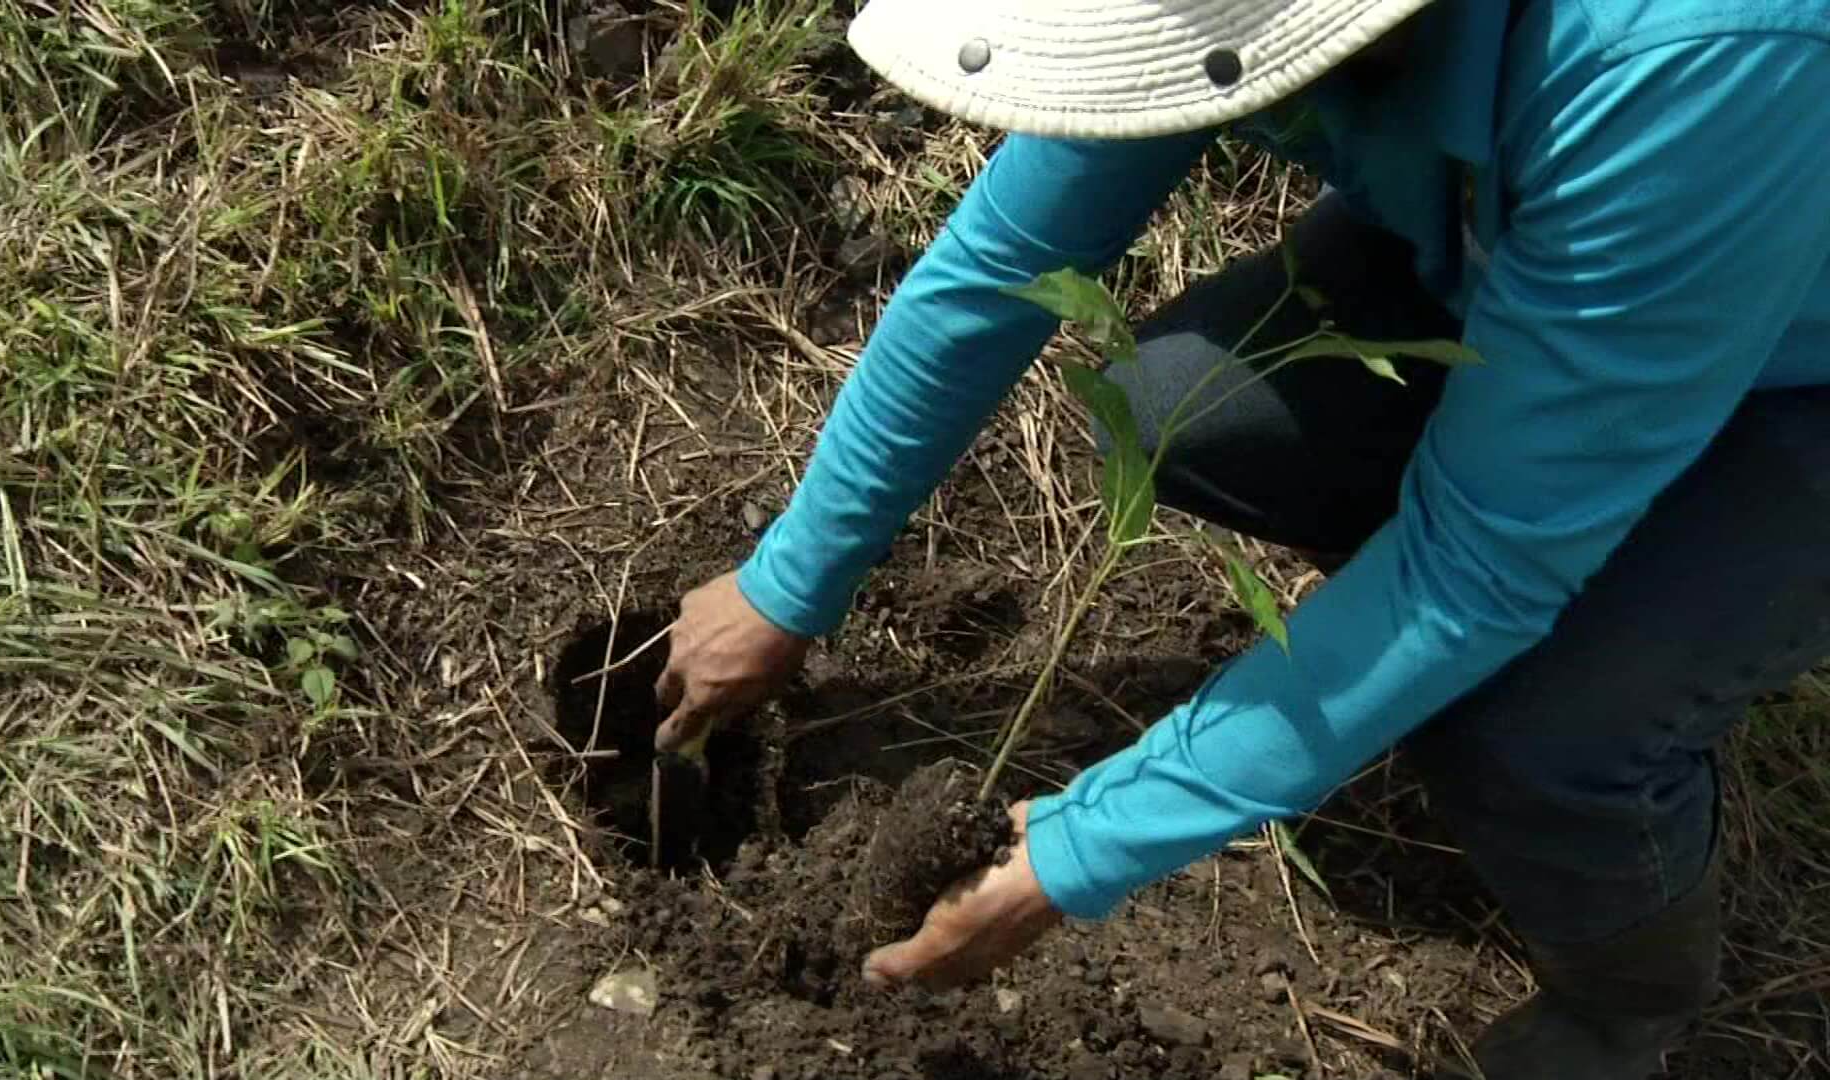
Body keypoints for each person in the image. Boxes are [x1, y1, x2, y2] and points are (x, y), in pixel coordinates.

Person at [652, 0, 1830, 1075]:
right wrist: (789, 580)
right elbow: (1006, 265)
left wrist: (1084, 846)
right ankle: (1437, 634)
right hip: (1541, 269)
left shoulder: (1695, 58)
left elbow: (1485, 563)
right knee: (1179, 413)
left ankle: (1626, 1007)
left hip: (1796, 381)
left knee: (1533, 727)